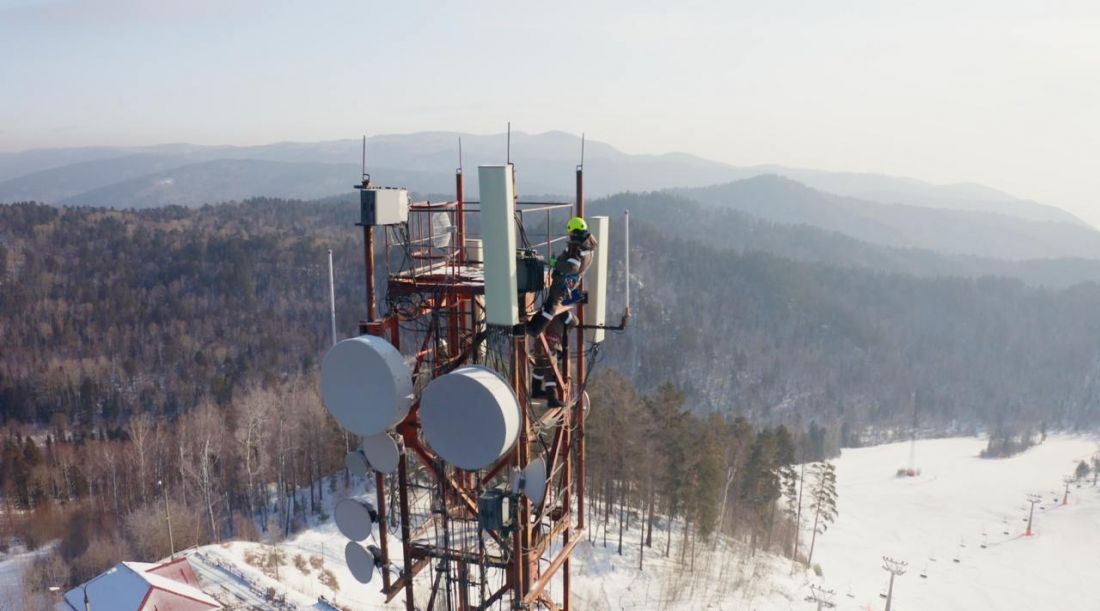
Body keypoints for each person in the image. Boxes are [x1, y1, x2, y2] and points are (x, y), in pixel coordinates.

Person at [529, 217, 598, 406]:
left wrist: (555, 263)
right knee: (544, 363)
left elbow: (571, 266)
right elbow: (573, 322)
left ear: (572, 231)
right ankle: (539, 391)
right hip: (568, 287)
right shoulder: (588, 248)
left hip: (563, 284)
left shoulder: (577, 248)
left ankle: (534, 328)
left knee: (551, 306)